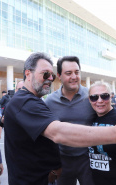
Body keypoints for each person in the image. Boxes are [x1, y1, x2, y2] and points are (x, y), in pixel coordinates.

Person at [4, 52, 116, 185]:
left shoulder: (36, 101)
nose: (49, 78)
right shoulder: (29, 102)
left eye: (50, 75)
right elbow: (57, 133)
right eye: (45, 74)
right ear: (28, 73)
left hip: (85, 165)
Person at [45, 56, 96, 185]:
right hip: (62, 162)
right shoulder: (50, 101)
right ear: (59, 75)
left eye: (77, 72)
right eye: (68, 73)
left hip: (88, 160)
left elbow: (110, 116)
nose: (74, 76)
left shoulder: (92, 96)